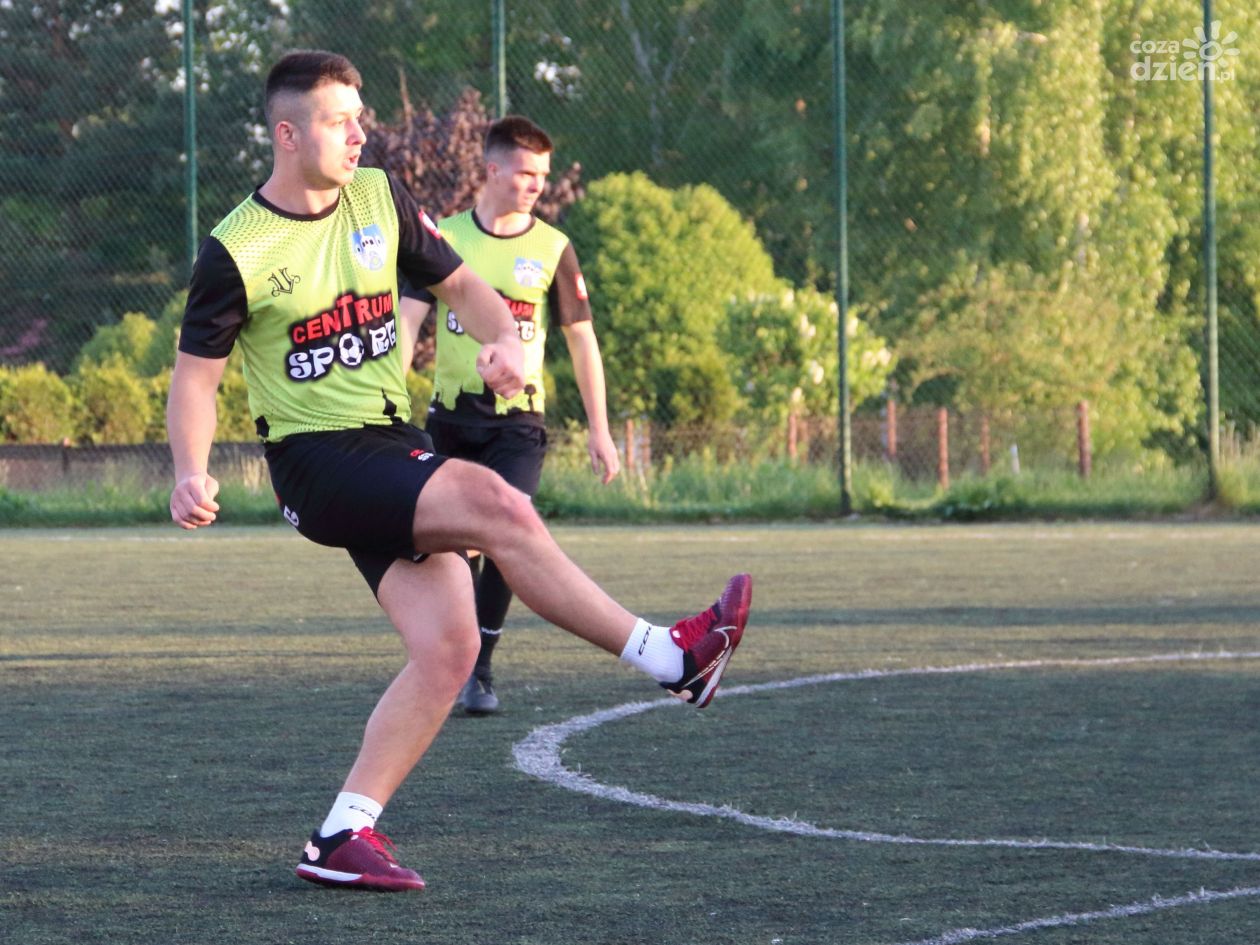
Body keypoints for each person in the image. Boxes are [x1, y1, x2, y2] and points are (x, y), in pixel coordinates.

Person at [166, 49, 752, 893]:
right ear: (288, 135)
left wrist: (506, 341)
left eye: (360, 116)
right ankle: (673, 658)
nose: (359, 133)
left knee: (450, 645)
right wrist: (190, 469)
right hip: (316, 459)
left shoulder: (379, 197)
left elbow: (467, 288)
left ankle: (341, 834)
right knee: (495, 502)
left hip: (387, 440)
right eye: (339, 121)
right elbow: (196, 378)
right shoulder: (237, 248)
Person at [398, 114, 618, 716]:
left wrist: (600, 430)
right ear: (492, 170)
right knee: (451, 548)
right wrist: (387, 400)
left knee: (506, 532)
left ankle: (480, 668)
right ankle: (453, 656)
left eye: (543, 175)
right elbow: (407, 322)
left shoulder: (553, 248)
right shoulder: (442, 238)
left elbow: (582, 341)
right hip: (449, 421)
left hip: (519, 424)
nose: (536, 185)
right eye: (524, 173)